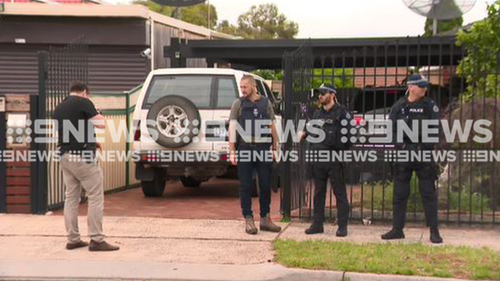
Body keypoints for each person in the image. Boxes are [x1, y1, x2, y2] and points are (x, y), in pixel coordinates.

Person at [53, 82, 120, 251]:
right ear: (84, 92)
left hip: (65, 155)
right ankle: (97, 239)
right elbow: (101, 124)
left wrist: (92, 141)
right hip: (83, 157)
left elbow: (71, 130)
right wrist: (97, 112)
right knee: (95, 196)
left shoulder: (59, 107)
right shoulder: (83, 102)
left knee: (71, 198)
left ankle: (73, 239)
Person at [381, 74, 443, 244]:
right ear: (411, 87)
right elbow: (391, 131)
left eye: (425, 86)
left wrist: (422, 147)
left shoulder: (430, 106)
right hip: (403, 154)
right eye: (421, 85)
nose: (424, 89)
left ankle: (434, 231)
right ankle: (397, 229)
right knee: (399, 194)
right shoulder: (399, 106)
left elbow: (436, 131)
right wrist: (402, 146)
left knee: (428, 195)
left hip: (423, 155)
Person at [228, 75, 281, 235]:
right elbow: (232, 128)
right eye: (241, 87)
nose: (242, 90)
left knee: (265, 185)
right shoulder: (238, 104)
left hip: (263, 148)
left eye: (245, 87)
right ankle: (249, 219)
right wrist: (232, 151)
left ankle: (265, 219)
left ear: (253, 86)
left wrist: (274, 148)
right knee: (245, 186)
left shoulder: (266, 103)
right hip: (245, 148)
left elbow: (272, 126)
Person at [303, 83, 351, 237]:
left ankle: (342, 226)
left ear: (332, 94)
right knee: (318, 193)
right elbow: (308, 132)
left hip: (334, 159)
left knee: (339, 193)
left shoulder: (342, 113)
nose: (320, 96)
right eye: (319, 93)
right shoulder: (317, 114)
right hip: (319, 160)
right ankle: (317, 224)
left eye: (323, 93)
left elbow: (349, 137)